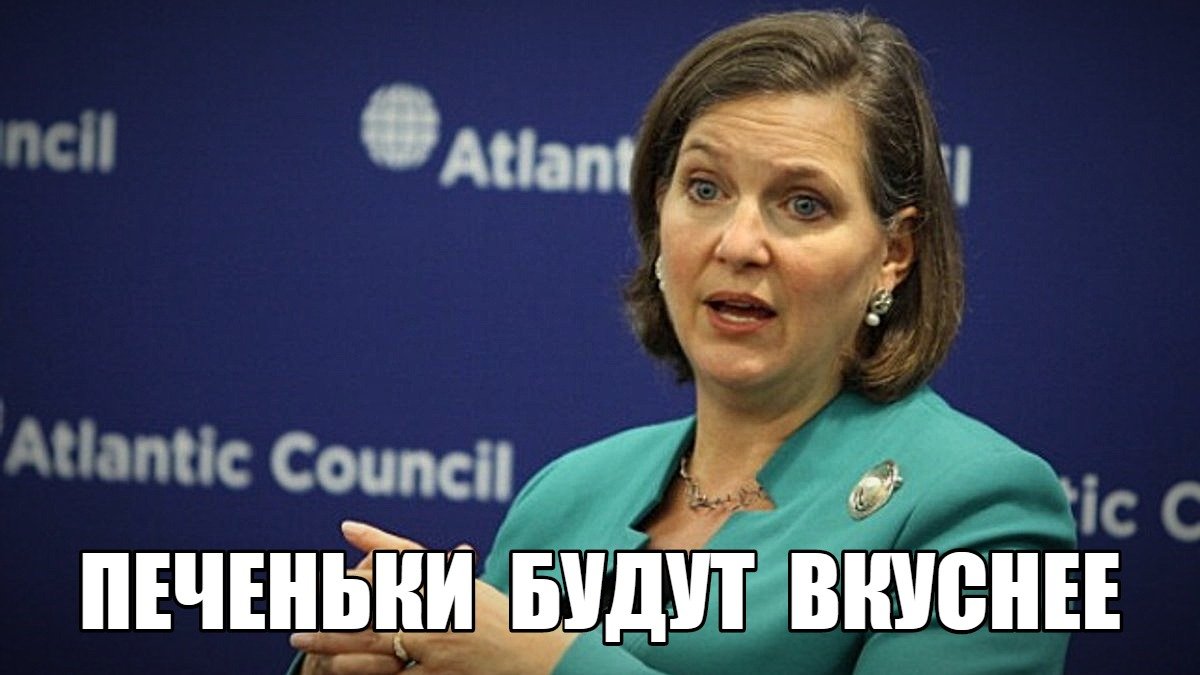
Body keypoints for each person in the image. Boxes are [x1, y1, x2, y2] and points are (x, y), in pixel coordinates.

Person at [287, 9, 1075, 674]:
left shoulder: (981, 505)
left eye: (803, 204)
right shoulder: (568, 493)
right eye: (705, 188)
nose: (738, 242)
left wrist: (544, 660)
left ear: (892, 253)